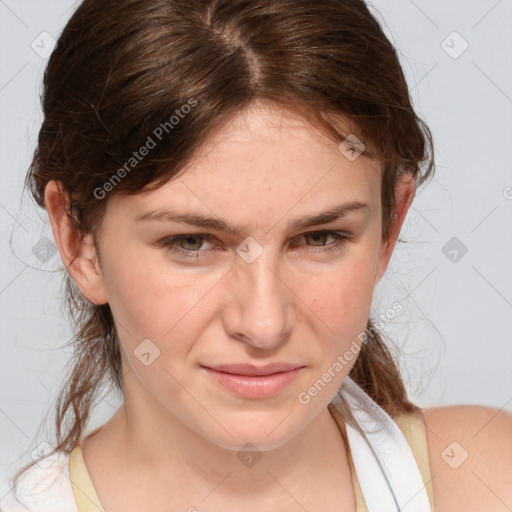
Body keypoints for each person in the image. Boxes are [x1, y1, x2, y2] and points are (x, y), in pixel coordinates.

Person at [2, 0, 511, 510]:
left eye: (320, 238)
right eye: (191, 243)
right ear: (78, 242)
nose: (264, 324)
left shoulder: (486, 480)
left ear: (389, 227)